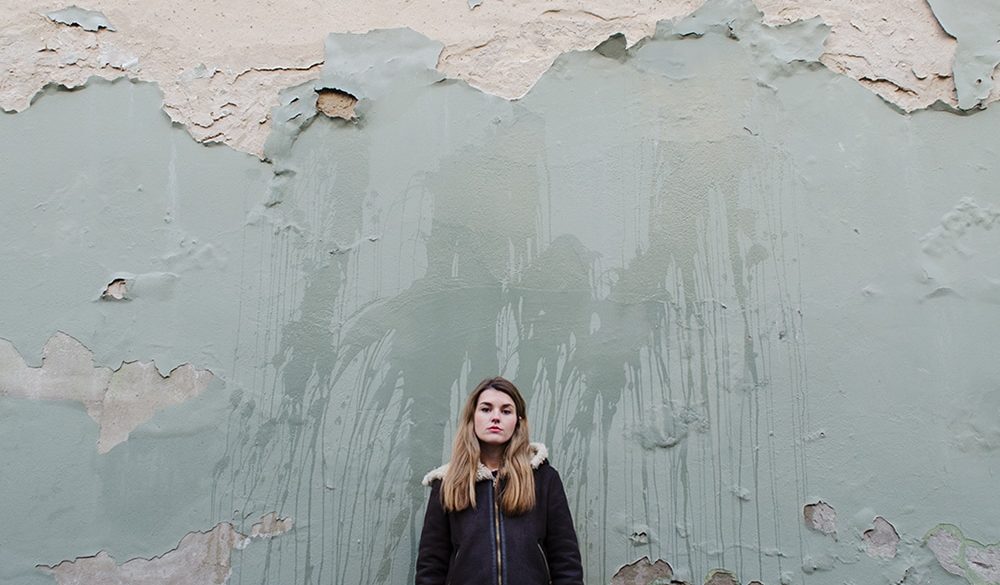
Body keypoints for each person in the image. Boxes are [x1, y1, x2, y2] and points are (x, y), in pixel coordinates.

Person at [415, 376, 584, 585]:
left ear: (518, 421)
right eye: (486, 409)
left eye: (506, 411)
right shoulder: (447, 483)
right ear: (472, 417)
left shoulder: (544, 480)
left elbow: (566, 561)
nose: (495, 417)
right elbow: (431, 567)